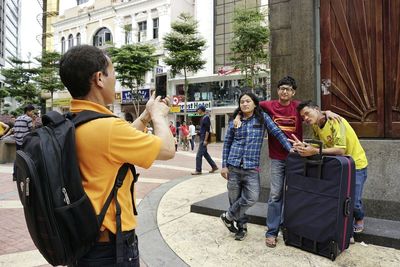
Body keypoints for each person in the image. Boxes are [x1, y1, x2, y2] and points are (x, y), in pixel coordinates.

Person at [59, 44, 175, 266]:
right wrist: (160, 116)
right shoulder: (108, 128)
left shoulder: (73, 121)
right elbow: (168, 150)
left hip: (83, 239)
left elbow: (115, 143)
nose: (115, 80)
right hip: (110, 247)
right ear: (99, 78)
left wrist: (145, 116)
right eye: (113, 74)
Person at [291, 100, 368, 242]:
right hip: (340, 166)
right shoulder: (316, 125)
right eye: (303, 117)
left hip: (356, 165)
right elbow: (318, 145)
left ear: (317, 109)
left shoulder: (336, 121)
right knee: (343, 199)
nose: (306, 118)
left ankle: (360, 217)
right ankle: (347, 232)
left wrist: (314, 150)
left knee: (354, 200)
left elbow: (340, 149)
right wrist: (303, 146)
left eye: (307, 114)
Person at [220, 92, 292, 241]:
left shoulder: (262, 118)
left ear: (254, 103)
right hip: (233, 166)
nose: (245, 104)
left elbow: (277, 132)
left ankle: (228, 216)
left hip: (251, 167)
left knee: (251, 198)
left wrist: (289, 148)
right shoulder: (235, 121)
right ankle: (242, 227)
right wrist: (224, 166)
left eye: (248, 101)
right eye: (242, 102)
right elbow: (227, 143)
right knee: (235, 200)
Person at [191, 105, 218, 175]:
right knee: (205, 154)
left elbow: (207, 130)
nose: (197, 111)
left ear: (201, 110)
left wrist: (206, 140)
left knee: (198, 156)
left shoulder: (206, 118)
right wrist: (199, 133)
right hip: (202, 137)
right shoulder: (203, 117)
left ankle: (198, 170)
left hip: (203, 139)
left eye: (198, 110)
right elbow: (203, 129)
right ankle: (214, 166)